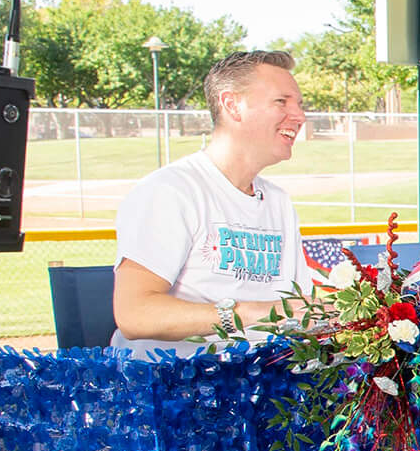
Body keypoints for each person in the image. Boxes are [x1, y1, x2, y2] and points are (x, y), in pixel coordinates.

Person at [111, 50, 309, 349]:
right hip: (173, 385)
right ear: (232, 105)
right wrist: (246, 314)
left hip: (264, 383)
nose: (299, 116)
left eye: (299, 104)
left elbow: (298, 310)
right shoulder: (171, 191)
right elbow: (134, 315)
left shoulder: (279, 202)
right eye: (281, 101)